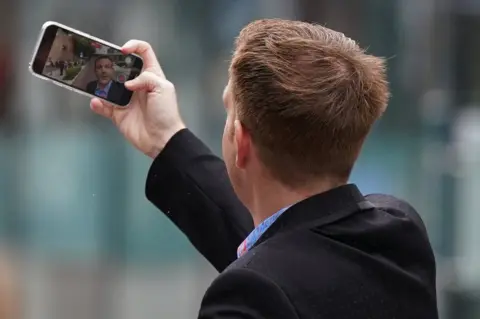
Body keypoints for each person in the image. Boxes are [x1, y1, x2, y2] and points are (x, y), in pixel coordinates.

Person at [90, 19, 438, 318]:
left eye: (229, 111)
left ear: (240, 141)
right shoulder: (399, 232)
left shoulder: (247, 299)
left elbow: (277, 267)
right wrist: (167, 139)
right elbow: (288, 250)